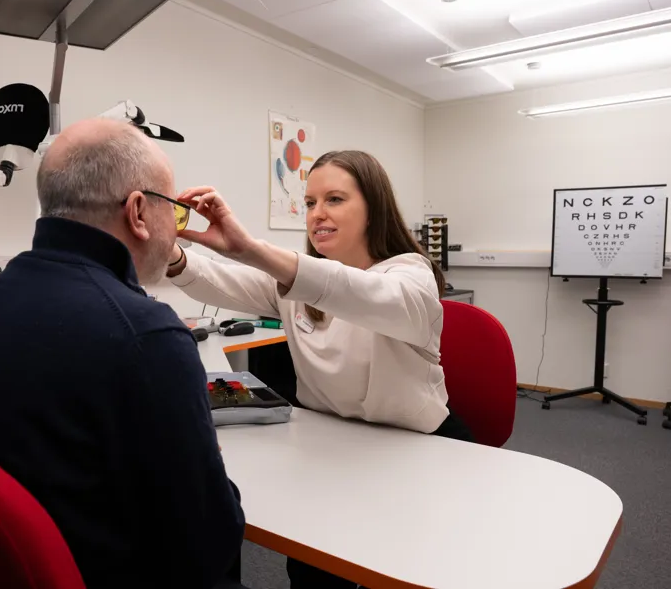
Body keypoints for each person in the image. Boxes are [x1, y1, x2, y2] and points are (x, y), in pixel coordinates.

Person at [0, 119, 245, 589]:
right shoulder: (147, 333)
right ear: (138, 212)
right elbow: (207, 547)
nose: (176, 229)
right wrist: (211, 466)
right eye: (174, 210)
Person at [166, 150, 474, 589]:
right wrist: (174, 255)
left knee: (412, 566)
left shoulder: (411, 276)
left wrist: (252, 249)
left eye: (335, 199)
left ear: (373, 209)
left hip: (417, 451)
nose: (317, 214)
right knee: (315, 571)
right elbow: (224, 281)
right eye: (310, 203)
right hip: (334, 449)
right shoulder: (300, 282)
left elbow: (363, 293)